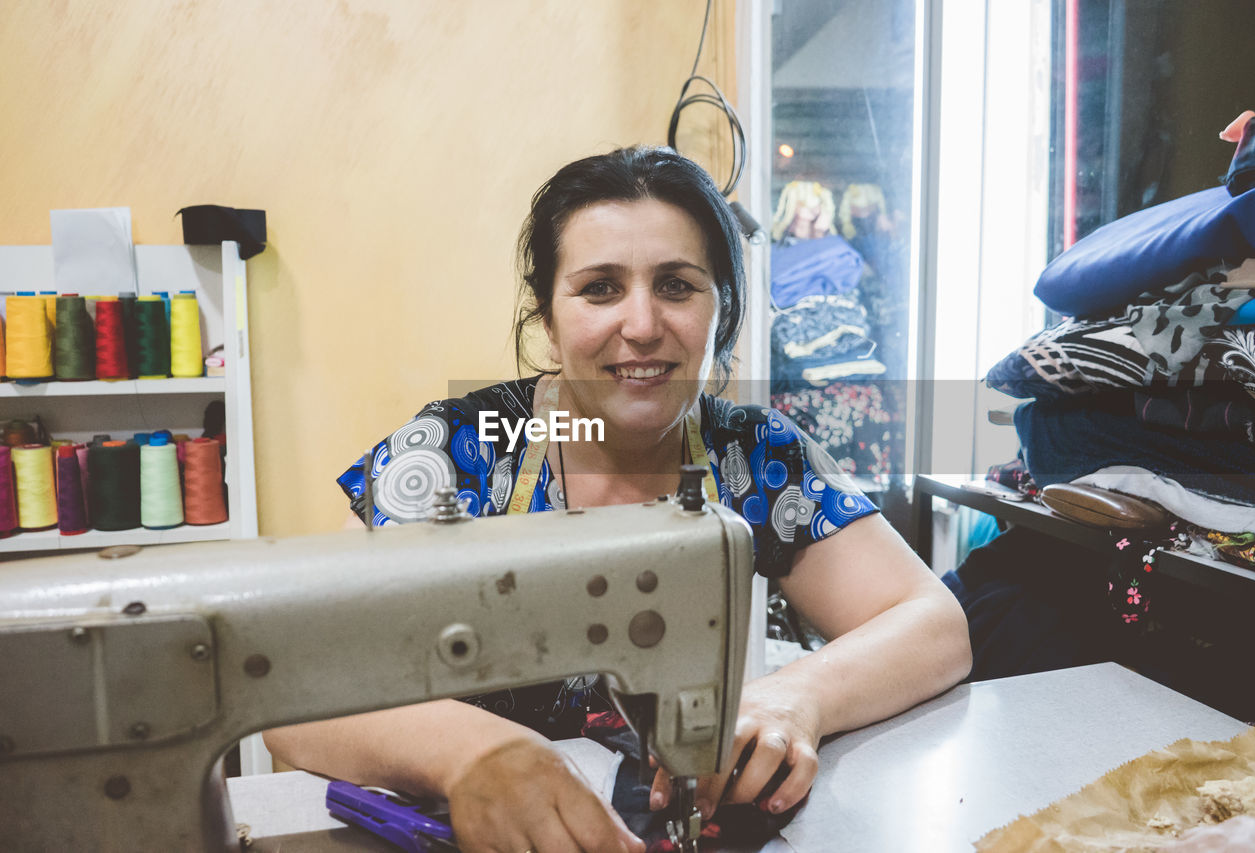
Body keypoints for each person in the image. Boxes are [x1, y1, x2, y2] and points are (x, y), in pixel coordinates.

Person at [264, 146, 972, 853]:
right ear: (547, 315)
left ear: (720, 310)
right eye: (600, 288)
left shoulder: (753, 453)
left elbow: (934, 624)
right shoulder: (462, 448)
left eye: (677, 285)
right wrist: (465, 750)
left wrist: (796, 696)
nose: (641, 325)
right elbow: (292, 691)